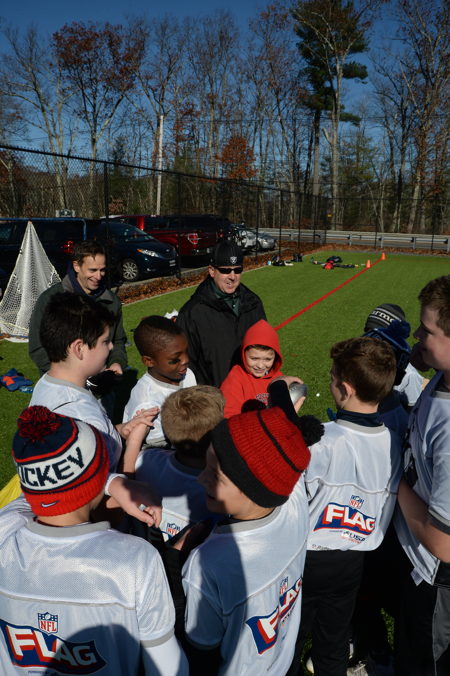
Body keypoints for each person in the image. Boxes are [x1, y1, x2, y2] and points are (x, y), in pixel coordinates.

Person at [0, 405, 188, 675]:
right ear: (96, 476)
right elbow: (168, 668)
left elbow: (37, 492)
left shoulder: (5, 532)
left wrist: (108, 481)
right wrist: (113, 481)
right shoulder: (135, 559)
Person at [176, 406, 323, 675]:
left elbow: (201, 647)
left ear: (254, 488)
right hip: (282, 659)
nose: (201, 478)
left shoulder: (209, 562)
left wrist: (173, 559)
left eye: (215, 475)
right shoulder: (295, 503)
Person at [289, 337, 402, 676]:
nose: (330, 382)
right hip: (354, 561)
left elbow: (292, 500)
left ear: (345, 389)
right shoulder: (395, 441)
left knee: (288, 638)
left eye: (333, 377)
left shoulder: (320, 440)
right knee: (334, 639)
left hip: (306, 559)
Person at [29, 291, 160, 526]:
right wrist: (133, 444)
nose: (110, 348)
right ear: (79, 348)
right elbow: (105, 513)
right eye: (105, 341)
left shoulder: (49, 384)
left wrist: (121, 429)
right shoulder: (78, 413)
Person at [393, 275, 450, 674]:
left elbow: (445, 544)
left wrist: (394, 481)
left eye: (426, 330)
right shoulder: (442, 376)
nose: (416, 335)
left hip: (434, 577)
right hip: (414, 559)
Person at [123, 385, 224, 541]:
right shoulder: (223, 484)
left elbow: (126, 479)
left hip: (143, 542)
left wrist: (134, 441)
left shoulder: (147, 460)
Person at [28, 239, 127, 376]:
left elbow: (118, 341)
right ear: (76, 266)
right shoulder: (50, 300)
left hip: (100, 381)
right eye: (93, 270)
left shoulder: (112, 302)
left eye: (102, 270)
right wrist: (70, 374)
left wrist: (116, 362)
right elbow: (37, 347)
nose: (98, 276)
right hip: (62, 382)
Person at [177, 240, 266, 386]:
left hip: (250, 393)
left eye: (237, 270)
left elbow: (265, 349)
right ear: (212, 271)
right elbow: (188, 366)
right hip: (214, 396)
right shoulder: (191, 313)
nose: (232, 276)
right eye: (225, 270)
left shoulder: (253, 303)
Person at [122, 315, 196, 447]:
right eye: (175, 360)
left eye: (186, 351)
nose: (185, 360)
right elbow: (160, 449)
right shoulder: (147, 404)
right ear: (149, 361)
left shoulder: (185, 373)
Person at [364, 303, 425, 407]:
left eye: (378, 337)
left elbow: (413, 409)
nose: (368, 340)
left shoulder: (409, 375)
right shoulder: (360, 361)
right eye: (368, 332)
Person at [220, 319, 284, 417]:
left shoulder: (279, 378)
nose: (260, 366)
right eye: (254, 358)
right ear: (243, 354)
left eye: (267, 359)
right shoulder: (235, 378)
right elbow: (228, 416)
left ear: (276, 357)